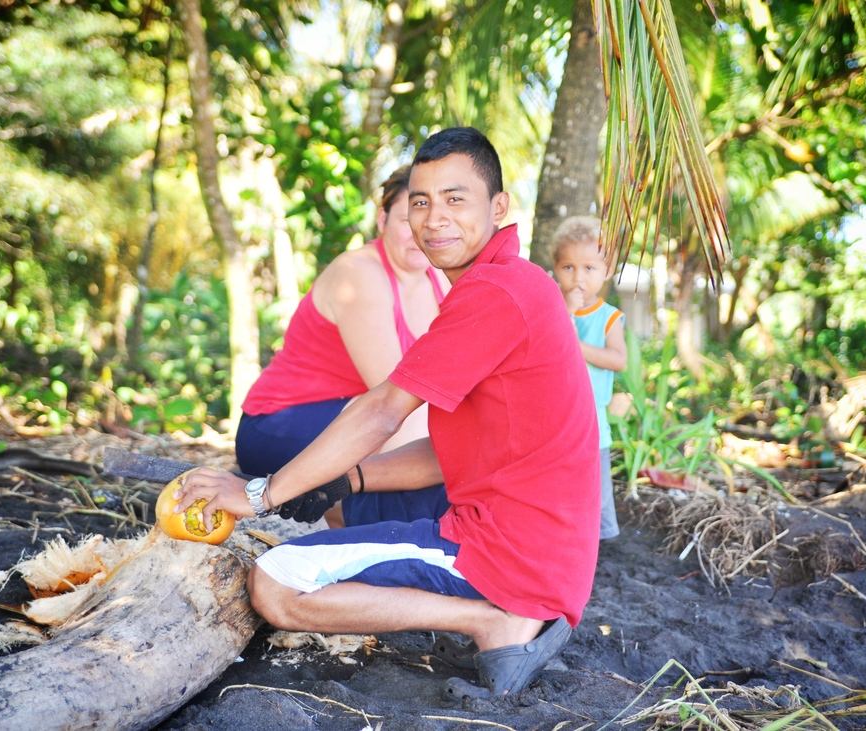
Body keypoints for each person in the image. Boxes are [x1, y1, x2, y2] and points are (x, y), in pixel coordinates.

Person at [177, 127, 600, 697]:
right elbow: (454, 452)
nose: (434, 218)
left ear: (499, 208)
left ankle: (492, 619)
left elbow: (382, 409)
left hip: (504, 551)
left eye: (456, 199)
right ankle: (492, 607)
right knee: (353, 517)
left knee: (276, 583)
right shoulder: (506, 283)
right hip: (544, 550)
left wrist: (259, 495)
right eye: (421, 202)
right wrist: (347, 479)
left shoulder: (495, 292)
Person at [237, 165, 450, 526]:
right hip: (279, 424)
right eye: (409, 216)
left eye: (434, 219)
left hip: (359, 420)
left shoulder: (439, 280)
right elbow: (393, 396)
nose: (421, 231)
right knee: (409, 425)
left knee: (433, 436)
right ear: (382, 219)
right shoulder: (359, 274)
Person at [550, 216, 628, 541]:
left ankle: (605, 542)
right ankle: (563, 539)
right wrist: (565, 312)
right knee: (558, 486)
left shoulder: (607, 317)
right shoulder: (552, 308)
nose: (578, 278)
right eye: (568, 268)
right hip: (555, 419)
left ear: (606, 270)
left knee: (596, 488)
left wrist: (579, 347)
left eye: (589, 268)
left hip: (592, 422)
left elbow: (618, 359)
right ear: (556, 269)